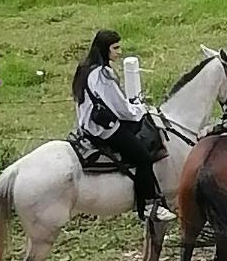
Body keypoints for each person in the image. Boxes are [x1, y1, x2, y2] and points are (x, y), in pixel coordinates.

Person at [72, 29, 175, 223]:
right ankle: (148, 205)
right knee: (143, 158)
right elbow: (121, 109)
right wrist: (140, 109)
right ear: (105, 49)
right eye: (115, 48)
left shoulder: (85, 69)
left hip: (87, 127)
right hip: (104, 129)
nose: (119, 52)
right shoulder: (104, 74)